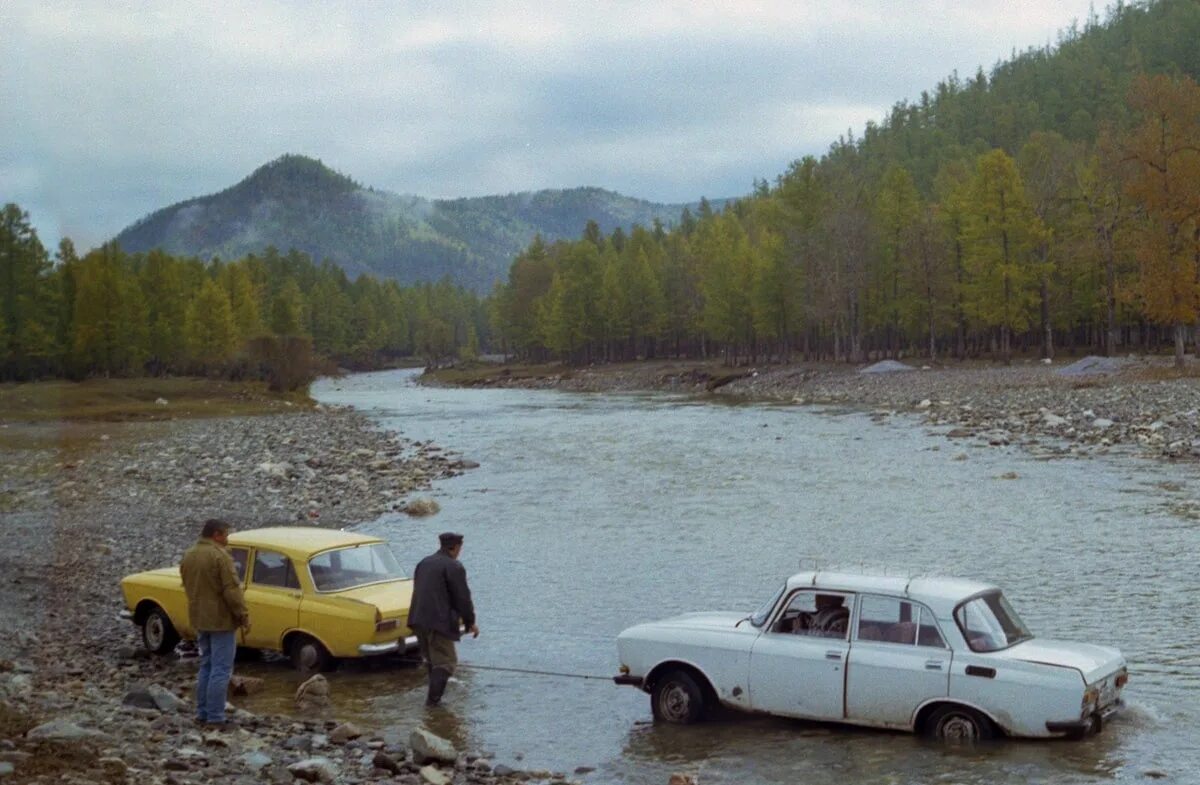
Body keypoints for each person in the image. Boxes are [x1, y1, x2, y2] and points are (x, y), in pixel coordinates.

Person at [179, 519, 250, 726]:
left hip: (199, 618)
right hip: (221, 620)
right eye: (226, 534)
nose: (228, 538)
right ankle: (216, 716)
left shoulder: (189, 554)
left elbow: (186, 583)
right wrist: (243, 615)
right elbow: (231, 590)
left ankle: (202, 712)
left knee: (206, 665)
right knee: (221, 668)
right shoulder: (220, 556)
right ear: (217, 534)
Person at [407, 532, 479, 707]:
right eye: (460, 547)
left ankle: (432, 706)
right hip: (438, 623)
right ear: (455, 547)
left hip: (417, 619)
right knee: (447, 663)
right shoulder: (454, 566)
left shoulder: (424, 563)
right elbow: (462, 598)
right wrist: (470, 623)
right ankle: (432, 705)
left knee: (433, 661)